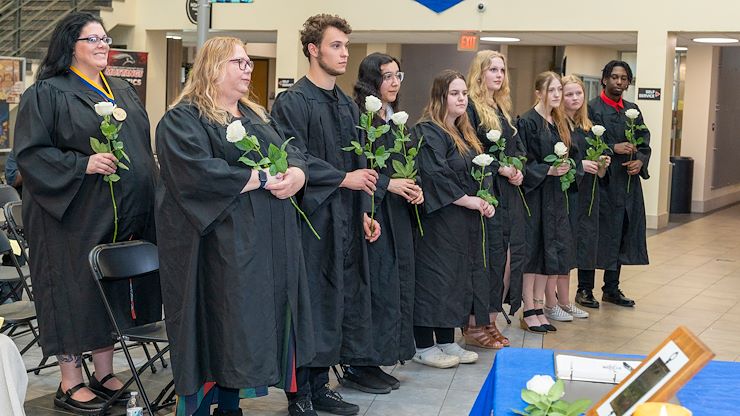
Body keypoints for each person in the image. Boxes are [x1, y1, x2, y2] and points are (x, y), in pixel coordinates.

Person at [155, 36, 315, 416]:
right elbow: (196, 173)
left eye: (248, 63)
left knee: (245, 332)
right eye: (238, 63)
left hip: (264, 249)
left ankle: (231, 406)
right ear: (212, 67)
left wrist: (296, 173)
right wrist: (258, 178)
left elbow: (292, 150)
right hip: (218, 251)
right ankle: (205, 407)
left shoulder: (256, 116)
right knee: (221, 328)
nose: (248, 69)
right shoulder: (183, 119)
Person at [14, 12, 161, 414]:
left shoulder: (120, 90)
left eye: (105, 38)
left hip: (115, 216)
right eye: (93, 39)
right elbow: (30, 155)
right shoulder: (46, 93)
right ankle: (69, 382)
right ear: (70, 46)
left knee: (106, 293)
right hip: (69, 219)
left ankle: (103, 372)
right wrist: (83, 165)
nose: (103, 45)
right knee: (72, 292)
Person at [271, 14, 381, 416]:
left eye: (346, 47)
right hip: (309, 221)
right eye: (336, 46)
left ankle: (320, 386)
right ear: (313, 49)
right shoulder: (292, 102)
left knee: (335, 302)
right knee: (308, 304)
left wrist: (364, 212)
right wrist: (342, 179)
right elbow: (294, 159)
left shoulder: (348, 107)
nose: (344, 54)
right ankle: (298, 393)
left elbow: (361, 164)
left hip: (345, 219)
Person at [340, 52, 422, 393]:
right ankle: (360, 364)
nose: (393, 82)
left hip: (397, 215)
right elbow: (358, 167)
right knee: (372, 287)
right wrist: (390, 184)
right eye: (386, 76)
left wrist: (414, 187)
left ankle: (381, 358)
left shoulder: (397, 121)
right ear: (370, 81)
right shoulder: (360, 119)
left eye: (397, 76)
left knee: (393, 289)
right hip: (372, 213)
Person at [411, 70, 494, 368]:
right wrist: (469, 200)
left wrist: (485, 199)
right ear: (440, 97)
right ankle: (423, 345)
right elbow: (435, 175)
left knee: (455, 280)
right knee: (435, 279)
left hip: (462, 220)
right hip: (438, 220)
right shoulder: (427, 131)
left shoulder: (463, 131)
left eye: (464, 94)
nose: (462, 99)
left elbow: (476, 171)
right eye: (455, 94)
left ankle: (446, 340)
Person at [465, 50, 526, 349]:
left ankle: (490, 319)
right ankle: (475, 324)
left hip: (505, 193)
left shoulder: (501, 108)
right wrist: (500, 167)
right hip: (484, 190)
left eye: (502, 70)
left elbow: (515, 148)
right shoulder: (472, 109)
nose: (499, 75)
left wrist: (516, 168)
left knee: (500, 257)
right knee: (485, 258)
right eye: (493, 70)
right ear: (480, 73)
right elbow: (473, 151)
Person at [579, 61, 651, 308]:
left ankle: (611, 288)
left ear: (629, 82)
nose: (619, 82)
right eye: (614, 77)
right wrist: (612, 148)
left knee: (620, 232)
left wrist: (640, 161)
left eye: (624, 78)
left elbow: (644, 143)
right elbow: (584, 143)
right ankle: (584, 289)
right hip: (601, 183)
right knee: (595, 234)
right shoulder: (590, 109)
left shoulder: (633, 110)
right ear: (604, 80)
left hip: (626, 184)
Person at [518, 71, 576, 333]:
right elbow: (524, 160)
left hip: (554, 196)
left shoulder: (557, 122)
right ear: (539, 93)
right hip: (536, 194)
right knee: (533, 251)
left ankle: (540, 307)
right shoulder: (528, 122)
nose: (556, 95)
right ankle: (528, 307)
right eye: (551, 90)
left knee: (549, 250)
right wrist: (547, 171)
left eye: (559, 91)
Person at [553, 75, 610, 320]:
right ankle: (553, 301)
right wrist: (580, 165)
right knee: (561, 248)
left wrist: (602, 162)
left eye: (578, 94)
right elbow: (557, 160)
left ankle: (565, 300)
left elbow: (602, 160)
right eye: (569, 94)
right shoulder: (556, 125)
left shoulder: (589, 125)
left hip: (587, 195)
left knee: (576, 248)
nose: (575, 98)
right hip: (565, 193)